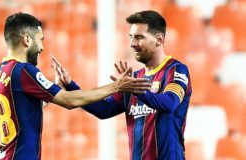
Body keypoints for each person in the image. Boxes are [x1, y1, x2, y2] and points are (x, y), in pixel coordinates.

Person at [0, 12, 151, 160]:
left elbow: (24, 110)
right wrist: (117, 86)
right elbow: (69, 101)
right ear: (27, 39)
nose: (42, 47)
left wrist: (56, 87)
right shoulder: (24, 71)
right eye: (40, 39)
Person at [52, 10, 192, 160]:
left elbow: (170, 103)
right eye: (131, 37)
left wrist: (137, 91)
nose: (132, 44)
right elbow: (104, 110)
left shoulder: (176, 70)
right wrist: (70, 85)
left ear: (159, 39)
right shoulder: (135, 78)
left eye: (139, 37)